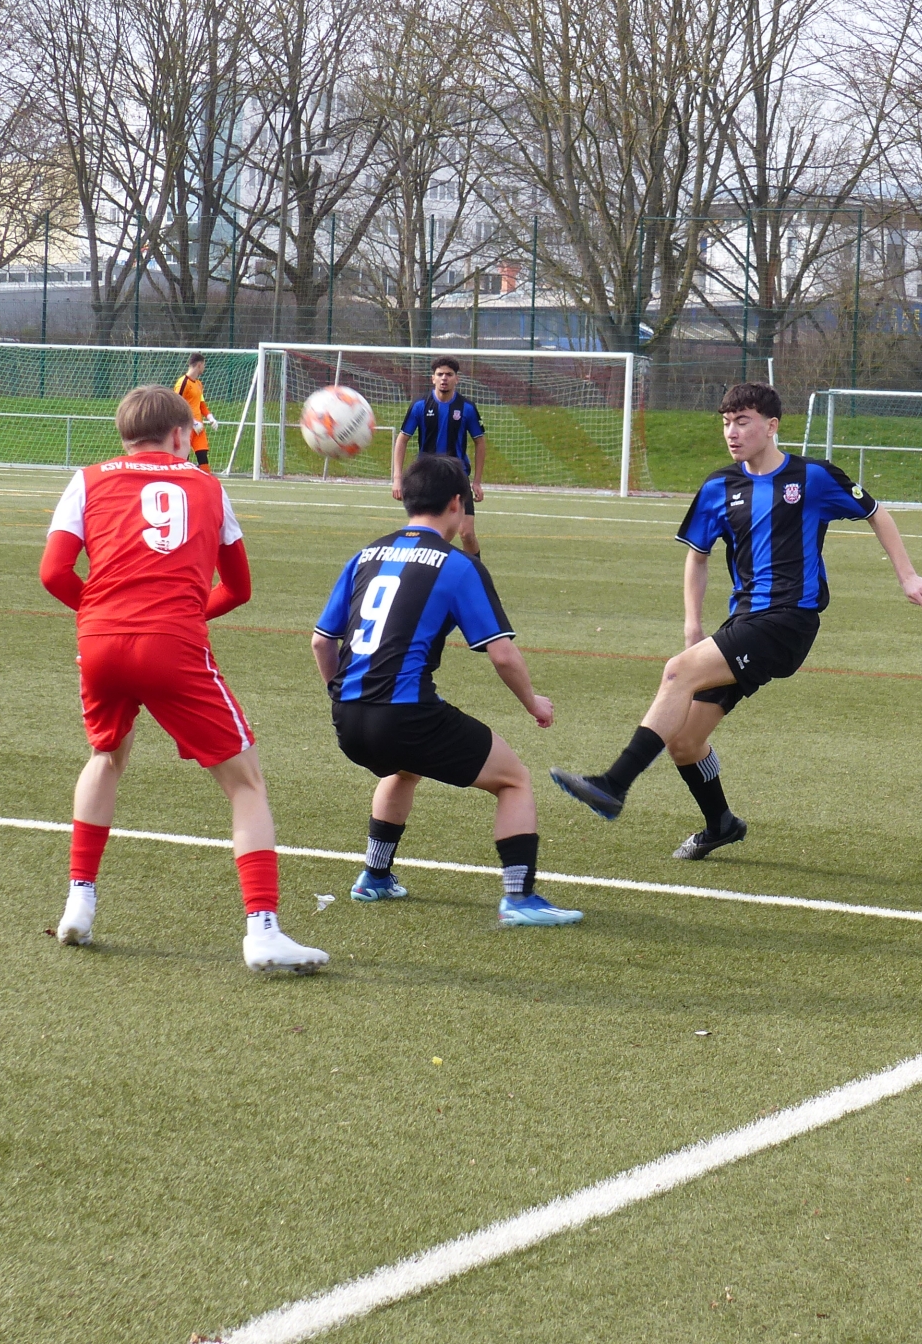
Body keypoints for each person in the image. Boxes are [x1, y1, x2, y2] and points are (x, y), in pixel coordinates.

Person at [550, 382, 922, 859]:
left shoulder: (813, 476)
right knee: (687, 741)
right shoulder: (719, 486)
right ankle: (721, 824)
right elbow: (697, 556)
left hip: (789, 621)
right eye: (726, 423)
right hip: (743, 623)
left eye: (743, 422)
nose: (731, 433)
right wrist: (693, 627)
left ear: (771, 426)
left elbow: (877, 513)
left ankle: (612, 784)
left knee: (676, 672)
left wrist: (908, 576)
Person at [38, 385, 327, 974]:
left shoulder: (87, 478)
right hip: (171, 642)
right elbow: (240, 588)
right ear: (180, 436)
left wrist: (99, 615)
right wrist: (183, 616)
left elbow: (53, 572)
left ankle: (80, 901)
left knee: (105, 756)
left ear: (123, 435)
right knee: (245, 783)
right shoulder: (208, 485)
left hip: (98, 643)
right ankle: (263, 928)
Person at [313, 453, 581, 927]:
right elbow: (501, 654)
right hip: (405, 716)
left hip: (348, 719)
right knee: (514, 779)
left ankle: (375, 877)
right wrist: (534, 702)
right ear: (457, 504)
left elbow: (321, 641)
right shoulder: (457, 566)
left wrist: (340, 697)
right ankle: (520, 898)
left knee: (402, 768)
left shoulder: (366, 555)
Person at [391, 357, 487, 559]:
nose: (444, 378)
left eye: (449, 375)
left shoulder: (466, 408)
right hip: (428, 478)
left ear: (456, 379)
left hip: (457, 477)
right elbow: (401, 440)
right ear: (432, 378)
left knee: (467, 533)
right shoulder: (419, 406)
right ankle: (426, 573)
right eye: (440, 374)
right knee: (433, 534)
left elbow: (480, 442)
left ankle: (476, 574)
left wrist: (477, 481)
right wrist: (397, 479)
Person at [173, 352, 216, 469]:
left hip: (198, 428)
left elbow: (201, 404)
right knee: (183, 462)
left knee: (203, 459)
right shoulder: (183, 382)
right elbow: (176, 405)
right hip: (186, 426)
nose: (204, 368)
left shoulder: (199, 384)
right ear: (199, 365)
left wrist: (210, 417)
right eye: (204, 365)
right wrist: (191, 421)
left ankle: (204, 484)